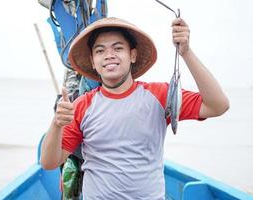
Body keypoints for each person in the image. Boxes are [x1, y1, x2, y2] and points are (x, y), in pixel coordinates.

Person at [40, 17, 229, 199]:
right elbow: (49, 162)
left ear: (133, 55)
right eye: (100, 51)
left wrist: (186, 53)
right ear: (92, 61)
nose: (109, 55)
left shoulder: (159, 95)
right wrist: (57, 123)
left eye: (118, 48)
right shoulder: (82, 105)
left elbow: (217, 106)